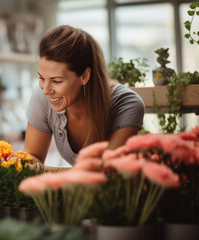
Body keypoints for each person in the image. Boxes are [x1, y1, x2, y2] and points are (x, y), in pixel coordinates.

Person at [24, 25, 145, 166]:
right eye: (42, 78)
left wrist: (50, 174)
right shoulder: (43, 98)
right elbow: (32, 157)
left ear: (84, 76)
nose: (46, 90)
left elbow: (107, 172)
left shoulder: (126, 104)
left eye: (56, 81)